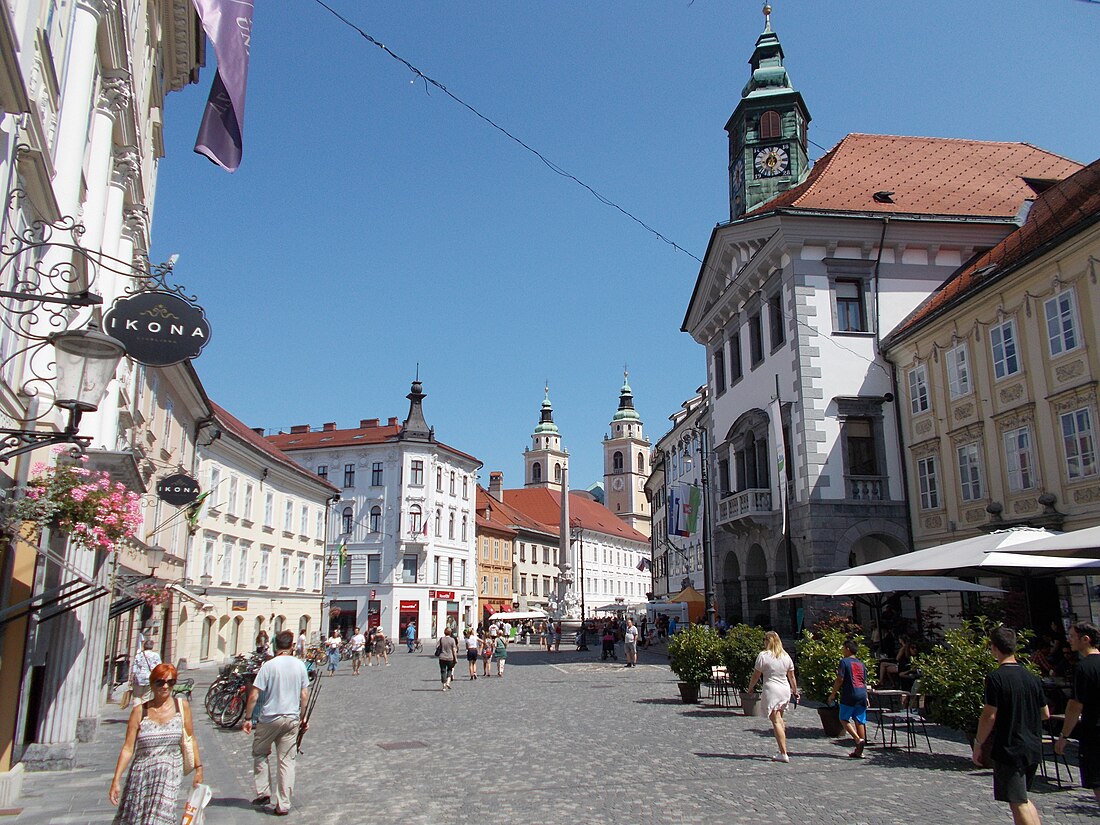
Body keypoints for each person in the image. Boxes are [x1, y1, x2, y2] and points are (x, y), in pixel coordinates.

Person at [973, 626, 1049, 825]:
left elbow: (989, 715)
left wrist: (979, 743)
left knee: (1017, 801)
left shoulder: (996, 678)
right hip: (1032, 745)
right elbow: (1045, 713)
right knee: (1022, 797)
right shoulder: (1031, 677)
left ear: (994, 648)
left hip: (1009, 746)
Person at [109, 663, 203, 824]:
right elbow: (128, 748)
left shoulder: (182, 707)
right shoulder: (140, 711)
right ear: (152, 684)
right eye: (160, 682)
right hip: (142, 775)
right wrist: (116, 780)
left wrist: (198, 769)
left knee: (160, 819)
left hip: (169, 774)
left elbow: (190, 737)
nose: (165, 686)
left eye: (171, 682)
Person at [243, 629, 310, 816]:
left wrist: (248, 719)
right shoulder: (299, 665)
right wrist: (303, 717)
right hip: (291, 719)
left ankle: (264, 792)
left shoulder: (269, 666)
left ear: (276, 645)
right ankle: (284, 804)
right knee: (287, 761)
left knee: (260, 753)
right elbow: (304, 695)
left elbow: (254, 695)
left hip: (269, 718)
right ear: (291, 645)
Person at [1055, 621, 1100, 805]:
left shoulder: (1084, 668)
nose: (1069, 640)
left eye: (1072, 636)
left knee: (1098, 781)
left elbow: (1075, 706)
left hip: (1095, 732)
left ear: (1085, 639)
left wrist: (1064, 735)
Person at [746, 630, 799, 763]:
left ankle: (783, 752)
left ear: (768, 641)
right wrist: (795, 690)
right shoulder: (786, 656)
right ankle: (783, 748)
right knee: (780, 719)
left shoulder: (763, 656)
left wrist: (750, 687)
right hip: (784, 688)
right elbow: (791, 676)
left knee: (775, 720)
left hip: (772, 688)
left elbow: (756, 675)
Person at [827, 638, 869, 758]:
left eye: (843, 648)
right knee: (859, 721)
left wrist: (833, 693)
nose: (842, 650)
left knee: (843, 718)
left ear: (848, 649)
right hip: (861, 693)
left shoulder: (844, 662)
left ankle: (857, 740)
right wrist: (866, 696)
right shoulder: (861, 663)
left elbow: (840, 678)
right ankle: (859, 750)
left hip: (850, 693)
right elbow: (864, 680)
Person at [130, 640, 161, 706]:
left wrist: (131, 677)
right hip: (149, 678)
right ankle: (144, 712)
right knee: (146, 697)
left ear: (144, 646)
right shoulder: (155, 655)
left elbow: (134, 667)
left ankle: (137, 710)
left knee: (137, 696)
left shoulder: (139, 655)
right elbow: (159, 667)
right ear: (152, 647)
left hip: (138, 678)